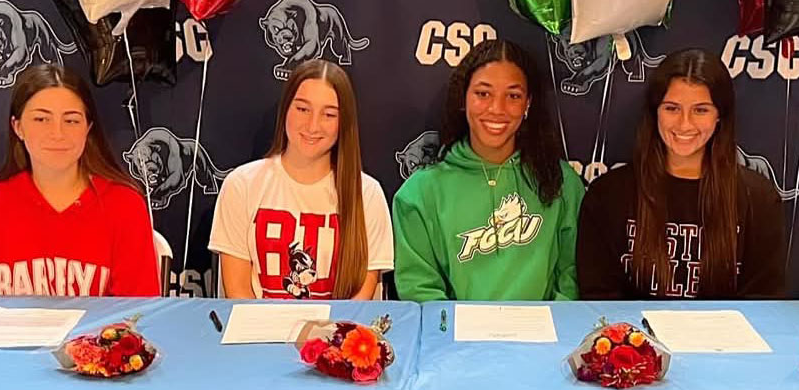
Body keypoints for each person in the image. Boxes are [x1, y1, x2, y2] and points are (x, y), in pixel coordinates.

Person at [576, 48, 786, 299]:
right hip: (634, 337)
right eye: (672, 108)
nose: (685, 124)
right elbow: (599, 297)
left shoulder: (758, 199)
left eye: (701, 110)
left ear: (720, 116)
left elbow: (763, 300)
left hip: (724, 338)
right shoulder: (608, 195)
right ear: (655, 112)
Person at [392, 39, 583, 302]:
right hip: (456, 341)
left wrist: (552, 336)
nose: (497, 109)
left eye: (513, 96)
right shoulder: (419, 193)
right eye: (483, 94)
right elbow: (419, 288)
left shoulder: (562, 183)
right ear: (464, 98)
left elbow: (572, 278)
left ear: (528, 103)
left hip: (546, 340)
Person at [0, 64, 159, 297]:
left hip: (94, 335)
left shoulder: (124, 205)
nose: (58, 134)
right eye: (42, 119)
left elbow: (137, 311)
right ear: (18, 127)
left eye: (71, 121)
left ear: (88, 128)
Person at [209, 60, 393, 299]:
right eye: (302, 109)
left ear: (343, 123)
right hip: (259, 334)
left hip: (336, 335)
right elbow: (237, 290)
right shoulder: (242, 185)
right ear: (286, 109)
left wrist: (325, 336)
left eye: (328, 114)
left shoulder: (367, 194)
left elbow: (361, 299)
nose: (313, 125)